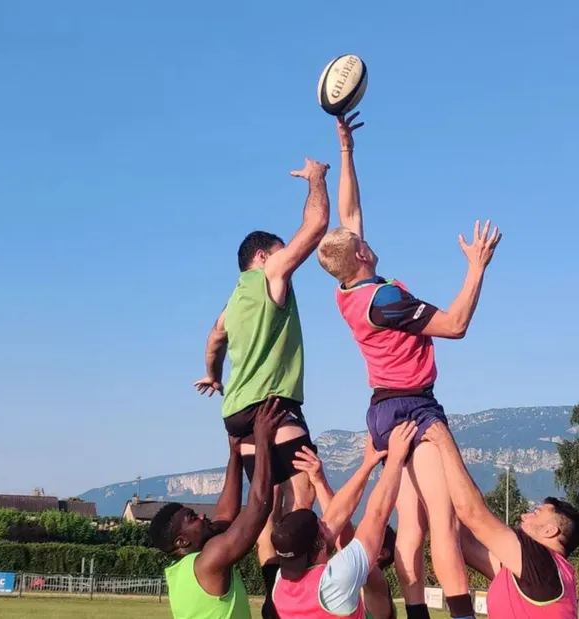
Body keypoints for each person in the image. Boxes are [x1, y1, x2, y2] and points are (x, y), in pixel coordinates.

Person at [315, 112, 502, 619]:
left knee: (413, 525)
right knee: (442, 522)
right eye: (359, 243)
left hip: (380, 408)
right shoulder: (386, 300)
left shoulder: (346, 290)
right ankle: (462, 613)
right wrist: (476, 268)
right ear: (359, 257)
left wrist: (346, 149)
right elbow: (457, 323)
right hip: (412, 409)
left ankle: (416, 611)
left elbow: (349, 215)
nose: (364, 238)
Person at [194, 157, 332, 616]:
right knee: (303, 499)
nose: (285, 259)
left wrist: (213, 376)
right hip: (272, 409)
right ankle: (299, 599)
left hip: (236, 414)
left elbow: (214, 340)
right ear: (262, 257)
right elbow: (315, 226)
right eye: (279, 252)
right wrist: (316, 179)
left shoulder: (232, 303)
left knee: (265, 509)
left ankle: (273, 599)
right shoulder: (270, 276)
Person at [425, 423, 579, 618]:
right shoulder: (533, 570)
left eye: (535, 513)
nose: (524, 516)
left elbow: (472, 513)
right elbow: (464, 543)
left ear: (549, 531)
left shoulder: (542, 565)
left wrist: (445, 442)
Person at [150, 398, 287, 619]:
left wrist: (235, 455)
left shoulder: (184, 569)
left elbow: (224, 515)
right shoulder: (208, 562)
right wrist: (263, 441)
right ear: (182, 541)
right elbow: (259, 508)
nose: (203, 516)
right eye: (192, 517)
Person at [270, 421, 418, 619]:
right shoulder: (337, 580)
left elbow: (335, 528)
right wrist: (395, 459)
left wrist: (322, 480)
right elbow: (375, 516)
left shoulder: (280, 584)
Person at [290, 444, 399, 619]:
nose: (362, 539)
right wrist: (318, 481)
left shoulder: (378, 585)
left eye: (375, 538)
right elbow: (342, 535)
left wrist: (320, 481)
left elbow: (344, 539)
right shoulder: (348, 583)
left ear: (383, 553)